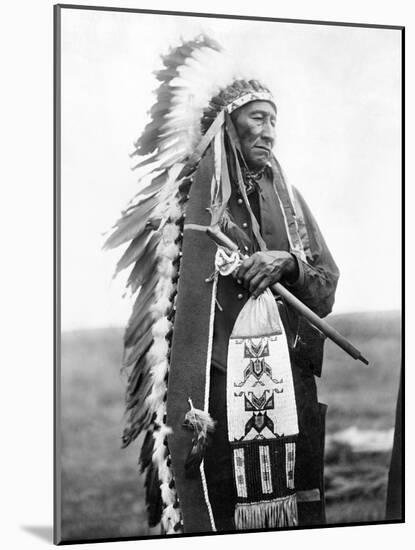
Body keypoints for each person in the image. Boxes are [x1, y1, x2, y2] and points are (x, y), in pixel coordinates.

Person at [106, 35, 339, 535]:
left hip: (289, 387)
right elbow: (168, 315)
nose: (270, 132)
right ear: (226, 124)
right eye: (258, 118)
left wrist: (289, 265)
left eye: (274, 120)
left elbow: (326, 284)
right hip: (215, 394)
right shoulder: (185, 209)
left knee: (298, 514)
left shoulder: (290, 204)